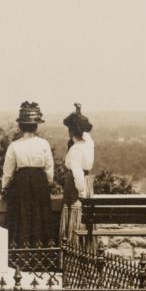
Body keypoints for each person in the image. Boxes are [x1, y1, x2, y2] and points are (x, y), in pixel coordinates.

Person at [1, 100, 55, 256]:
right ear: (36, 126)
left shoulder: (14, 145)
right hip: (39, 182)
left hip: (21, 183)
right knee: (40, 215)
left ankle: (20, 255)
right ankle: (41, 255)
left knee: (22, 216)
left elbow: (8, 171)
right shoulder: (43, 144)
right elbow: (49, 167)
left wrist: (4, 188)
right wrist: (47, 182)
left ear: (20, 126)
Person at [59, 104, 95, 245]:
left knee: (74, 216)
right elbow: (86, 135)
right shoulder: (89, 144)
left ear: (71, 131)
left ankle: (72, 247)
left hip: (76, 186)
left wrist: (81, 192)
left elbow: (77, 174)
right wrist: (79, 114)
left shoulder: (75, 150)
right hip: (88, 182)